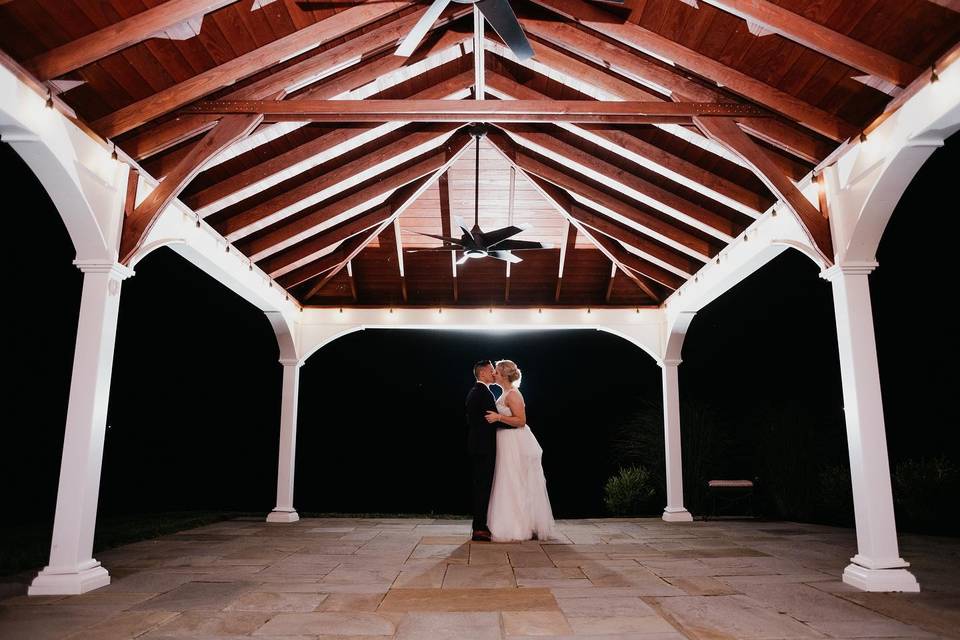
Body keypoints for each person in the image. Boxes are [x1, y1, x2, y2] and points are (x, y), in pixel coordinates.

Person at [485, 360, 557, 542]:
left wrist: (499, 417)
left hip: (515, 442)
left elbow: (521, 421)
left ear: (502, 375)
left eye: (496, 372)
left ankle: (519, 526)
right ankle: (514, 522)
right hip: (506, 441)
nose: (493, 374)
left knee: (516, 481)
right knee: (509, 481)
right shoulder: (504, 393)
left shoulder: (513, 395)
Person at [465, 360, 515, 542]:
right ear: (484, 372)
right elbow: (492, 419)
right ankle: (479, 528)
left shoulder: (475, 391)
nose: (494, 373)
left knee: (481, 486)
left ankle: (479, 525)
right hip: (484, 447)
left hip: (477, 446)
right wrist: (516, 425)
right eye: (492, 370)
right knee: (483, 487)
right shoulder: (483, 394)